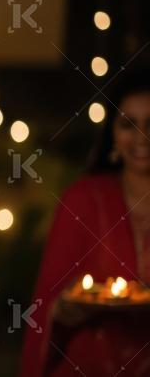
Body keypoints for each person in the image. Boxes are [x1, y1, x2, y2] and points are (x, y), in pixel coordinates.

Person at [20, 72, 150, 376]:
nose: (141, 137)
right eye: (128, 124)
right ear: (113, 135)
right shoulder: (83, 200)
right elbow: (47, 305)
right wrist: (65, 310)